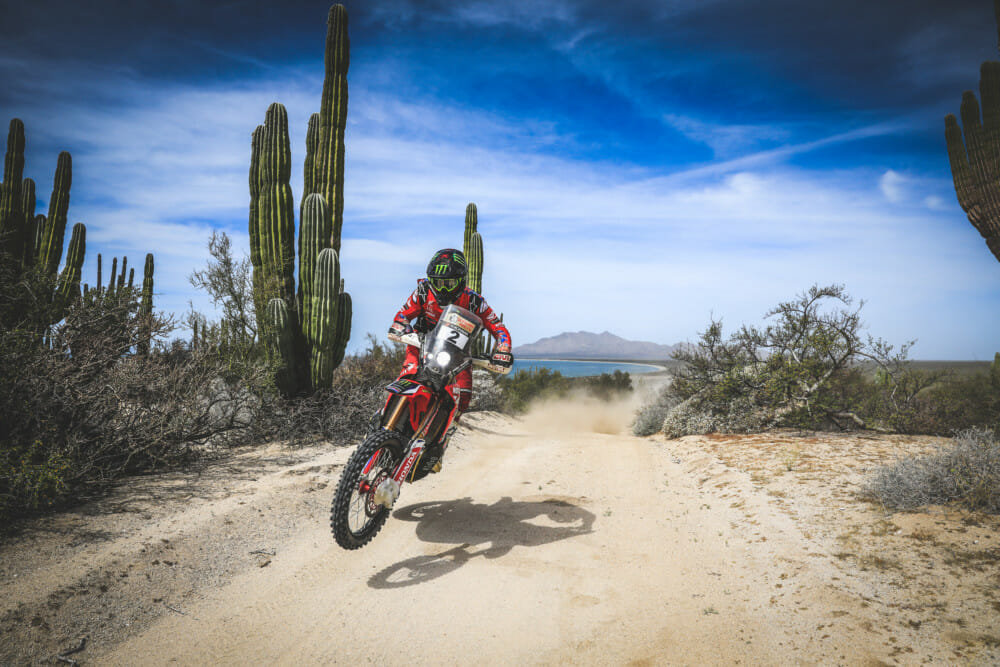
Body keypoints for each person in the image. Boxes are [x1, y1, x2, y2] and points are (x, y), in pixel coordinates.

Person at [388, 248, 513, 451]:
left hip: (456, 355)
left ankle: (442, 439)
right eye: (437, 282)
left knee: (462, 396)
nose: (442, 289)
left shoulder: (474, 301)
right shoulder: (422, 291)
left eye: (449, 283)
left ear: (461, 280)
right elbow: (402, 315)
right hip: (420, 346)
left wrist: (503, 348)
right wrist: (401, 325)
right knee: (407, 376)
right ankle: (381, 425)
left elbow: (498, 327)